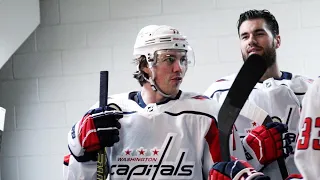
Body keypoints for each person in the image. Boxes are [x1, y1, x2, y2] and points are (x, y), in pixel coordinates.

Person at [62, 24, 288, 180]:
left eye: (182, 59)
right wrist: (81, 152)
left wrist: (252, 156)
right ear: (144, 65)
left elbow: (227, 170)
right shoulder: (108, 114)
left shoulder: (205, 112)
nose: (179, 68)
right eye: (169, 59)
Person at [204, 9, 313, 179]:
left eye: (259, 33)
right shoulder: (218, 94)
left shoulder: (309, 89)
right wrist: (250, 154)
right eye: (244, 36)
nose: (251, 41)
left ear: (277, 40)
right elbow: (212, 162)